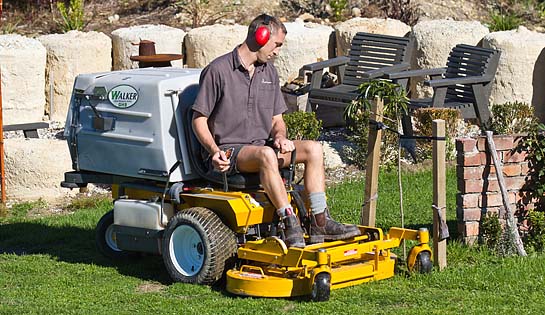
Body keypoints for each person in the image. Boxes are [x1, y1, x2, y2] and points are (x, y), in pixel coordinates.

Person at [191, 14, 360, 248]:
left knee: (313, 149)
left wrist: (280, 136)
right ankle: (289, 221)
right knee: (266, 154)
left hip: (261, 150)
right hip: (230, 152)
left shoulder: (268, 72)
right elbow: (199, 119)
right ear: (260, 36)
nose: (277, 52)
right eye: (277, 45)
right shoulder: (218, 70)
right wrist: (213, 151)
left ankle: (320, 220)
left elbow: (277, 119)